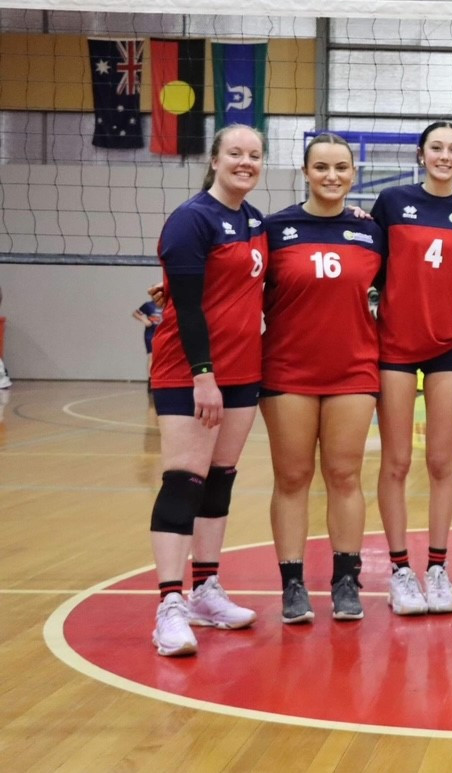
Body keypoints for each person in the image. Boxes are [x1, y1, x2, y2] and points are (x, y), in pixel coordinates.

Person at [146, 124, 267, 656]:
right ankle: (169, 605)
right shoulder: (192, 220)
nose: (245, 162)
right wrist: (203, 373)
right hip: (189, 371)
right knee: (184, 481)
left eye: (254, 155)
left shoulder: (254, 220)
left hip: (244, 370)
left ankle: (206, 590)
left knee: (220, 479)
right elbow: (188, 307)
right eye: (235, 153)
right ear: (215, 159)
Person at [259, 133, 385, 624]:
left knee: (345, 475)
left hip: (353, 368)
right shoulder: (274, 229)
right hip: (288, 369)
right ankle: (292, 584)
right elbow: (231, 273)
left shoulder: (373, 232)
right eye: (321, 167)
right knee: (292, 477)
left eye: (341, 167)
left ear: (354, 173)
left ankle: (346, 581)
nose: (332, 176)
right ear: (305, 172)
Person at [370, 121, 452, 616]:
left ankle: (437, 567)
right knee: (396, 462)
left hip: (449, 346)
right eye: (436, 148)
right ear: (421, 155)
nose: (444, 155)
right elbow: (366, 257)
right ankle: (401, 570)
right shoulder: (392, 202)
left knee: (442, 462)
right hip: (395, 344)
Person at [132, 295, 164, 378]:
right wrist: (144, 320)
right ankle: (151, 379)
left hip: (163, 334)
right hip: (151, 334)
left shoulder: (167, 305)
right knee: (151, 356)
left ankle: (162, 377)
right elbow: (136, 313)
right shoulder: (148, 305)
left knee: (163, 356)